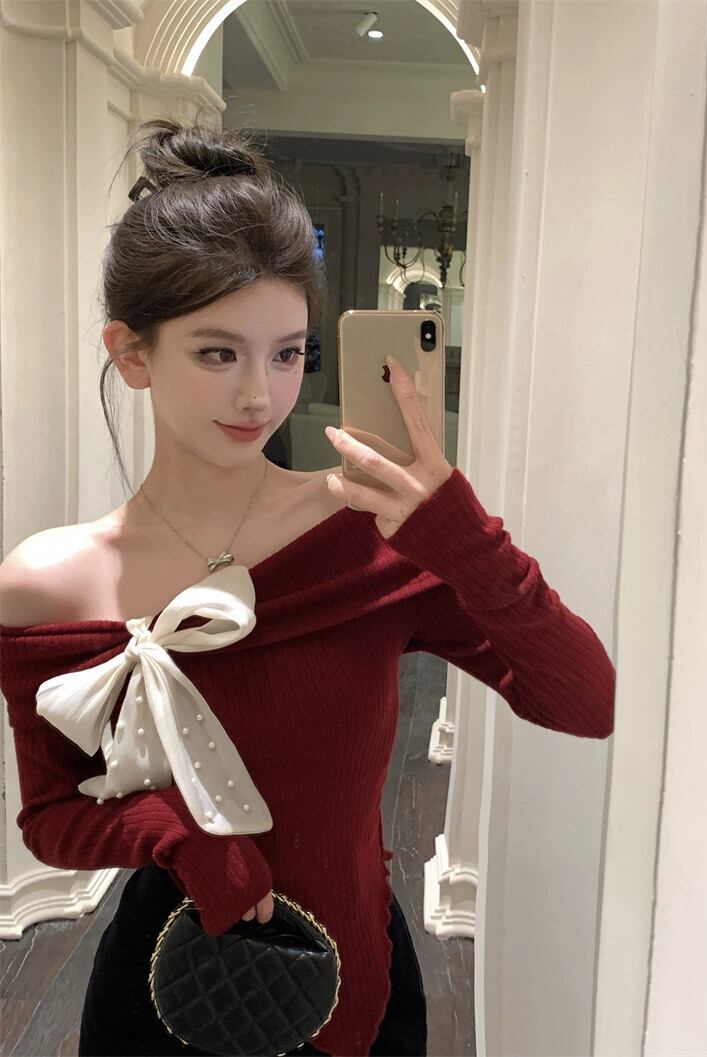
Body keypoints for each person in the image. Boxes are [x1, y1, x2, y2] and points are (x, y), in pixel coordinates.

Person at [0, 118, 616, 1057]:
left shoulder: (367, 533)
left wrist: (464, 534)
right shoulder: (53, 580)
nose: (260, 394)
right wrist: (177, 834)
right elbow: (53, 816)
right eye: (219, 353)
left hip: (352, 977)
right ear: (131, 353)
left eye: (288, 353)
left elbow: (585, 700)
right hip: (166, 984)